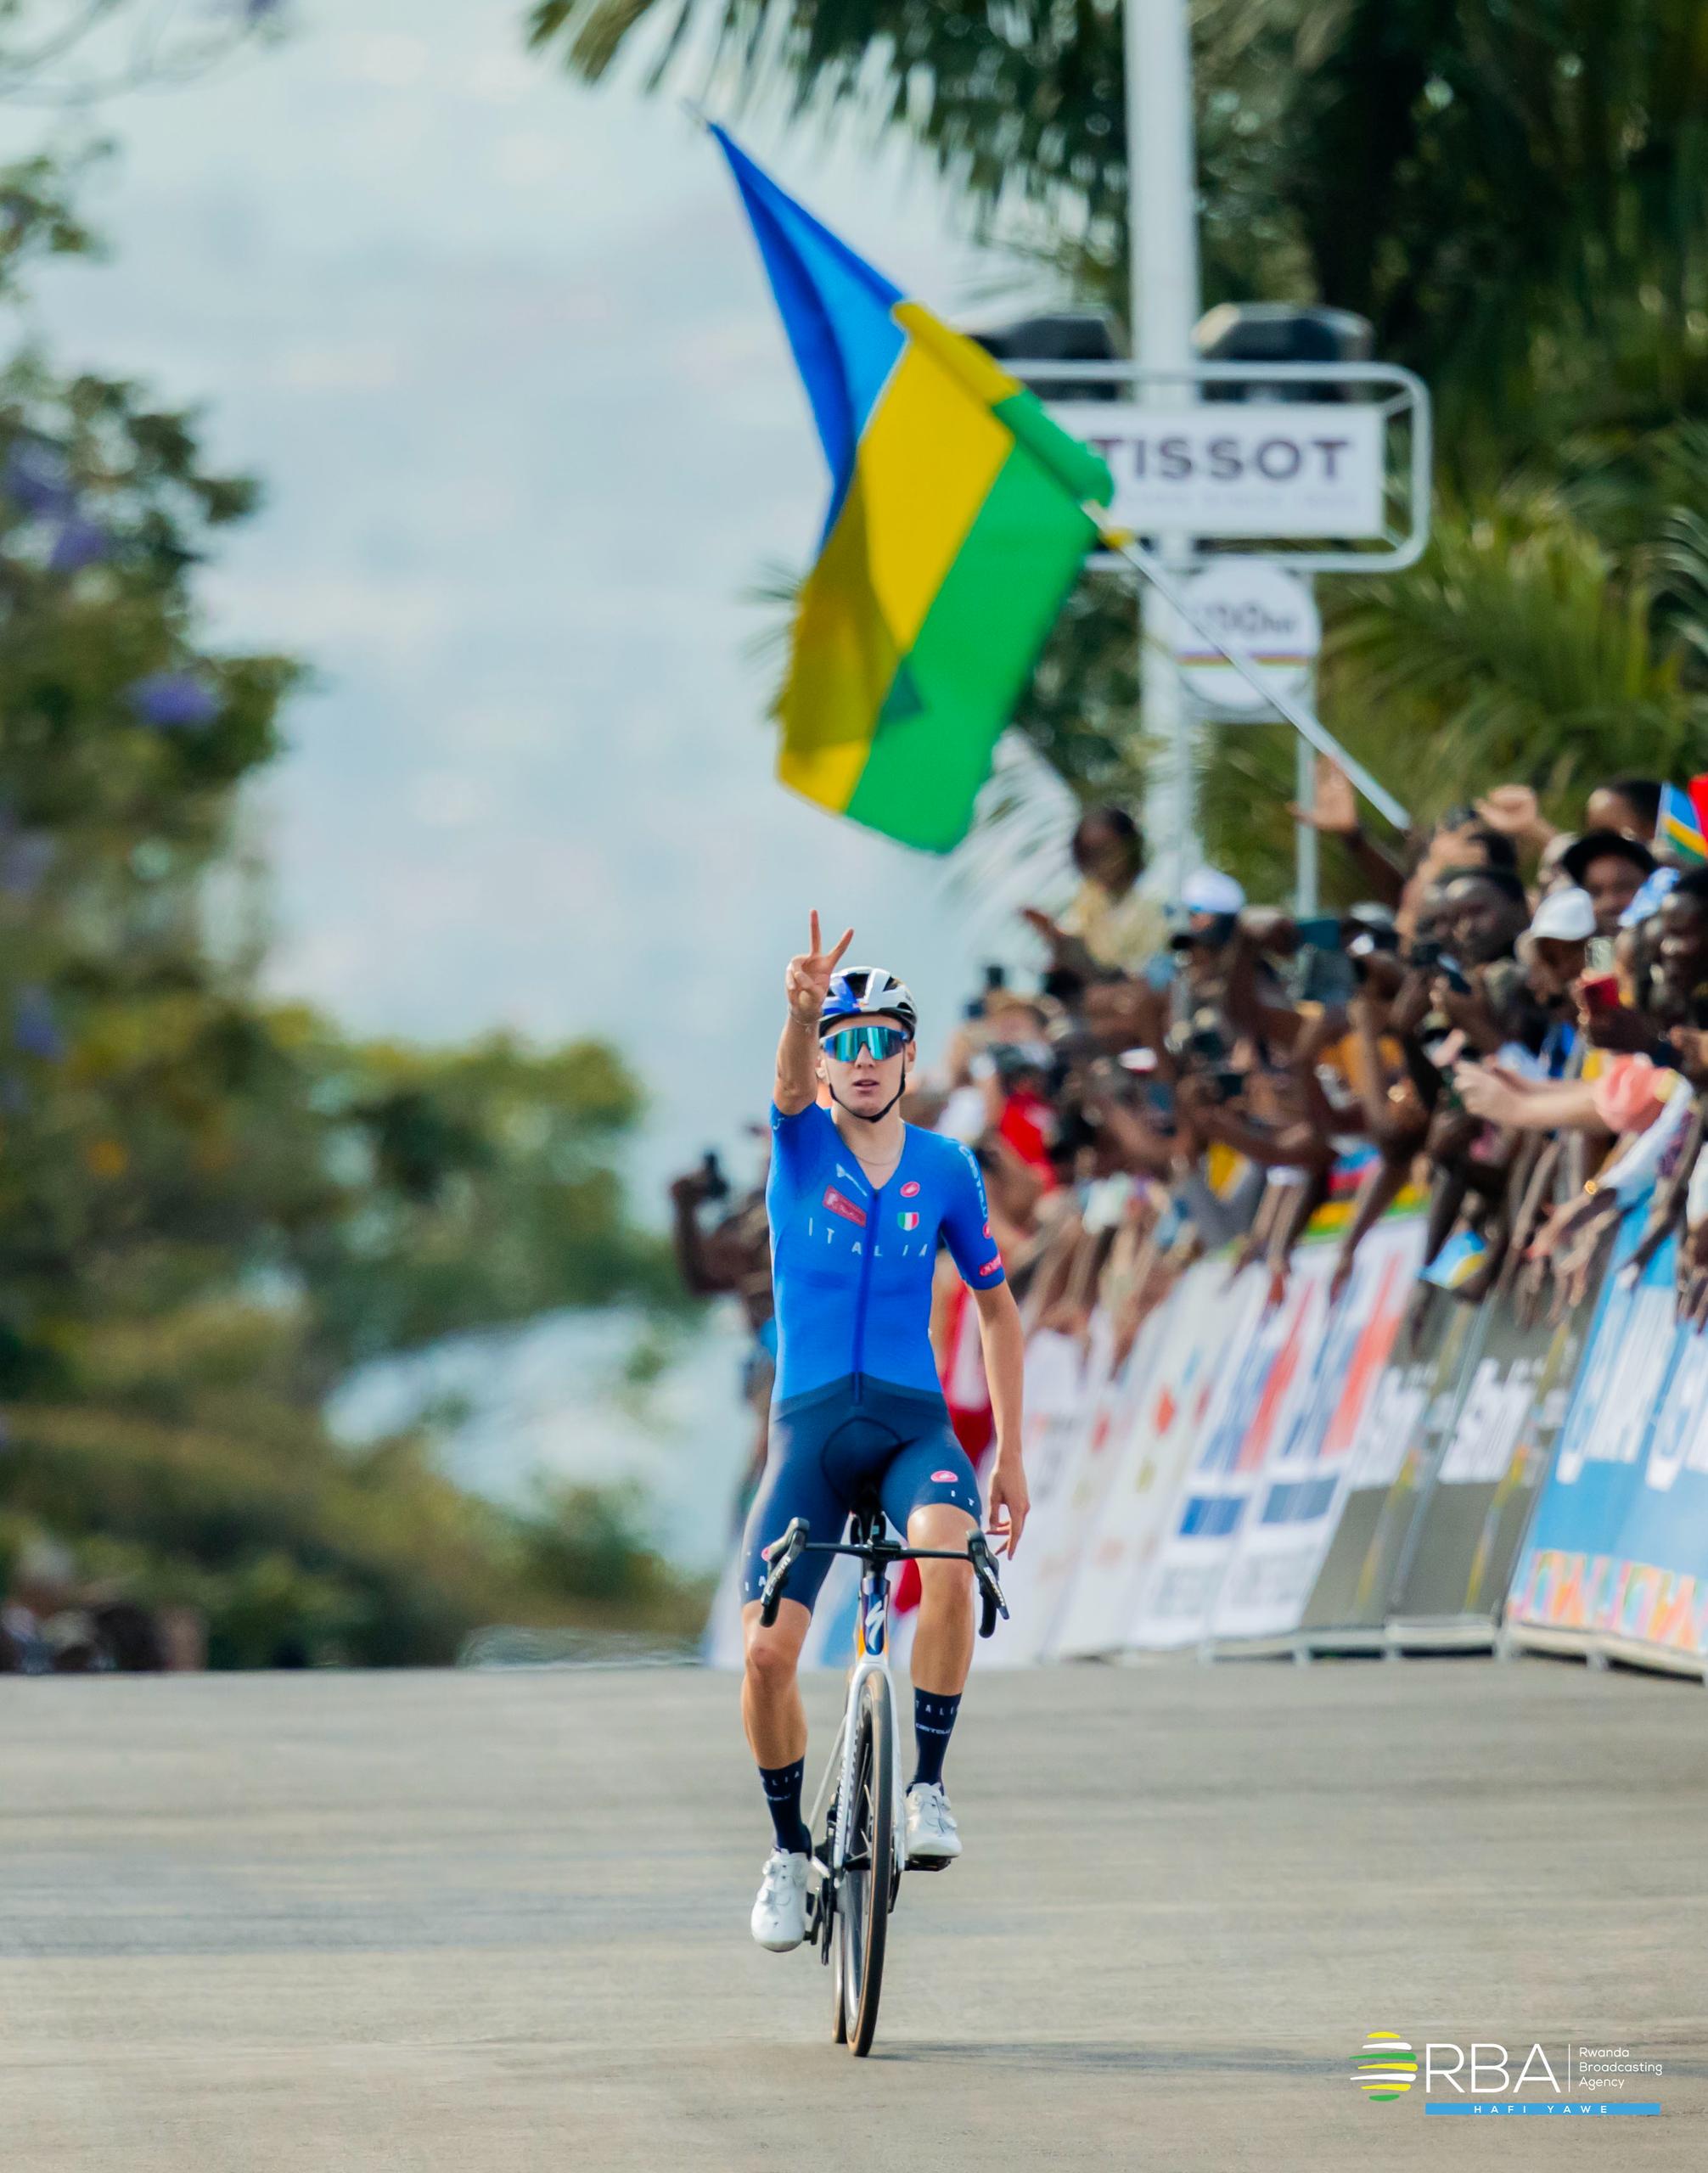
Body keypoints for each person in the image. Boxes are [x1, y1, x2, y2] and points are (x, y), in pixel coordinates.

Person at [740, 917, 1030, 1954]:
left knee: (948, 1565)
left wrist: (1011, 1456)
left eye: (880, 1042)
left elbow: (997, 1309)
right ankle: (786, 1851)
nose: (861, 1061)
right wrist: (797, 1010)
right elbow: (780, 1085)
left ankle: (927, 1787)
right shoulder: (797, 1141)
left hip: (914, 1425)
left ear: (909, 1056)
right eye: (842, 1043)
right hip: (810, 1436)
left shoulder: (948, 1166)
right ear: (823, 1064)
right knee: (768, 1657)